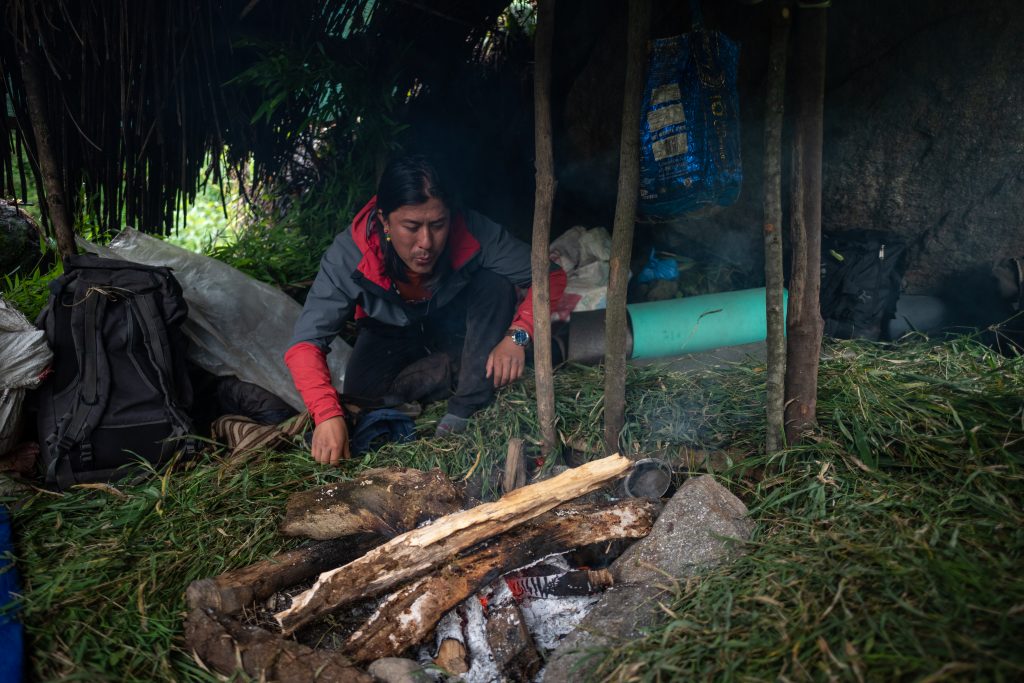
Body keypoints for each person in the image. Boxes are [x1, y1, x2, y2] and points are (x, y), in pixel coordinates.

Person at [285, 155, 567, 465]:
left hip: (456, 321)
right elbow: (305, 344)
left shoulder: (472, 230)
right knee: (361, 395)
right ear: (384, 220)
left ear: (450, 216)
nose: (426, 243)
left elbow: (548, 275)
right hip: (389, 331)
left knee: (495, 283)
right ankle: (455, 368)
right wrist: (326, 414)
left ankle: (466, 403)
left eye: (437, 224)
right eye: (411, 226)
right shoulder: (349, 254)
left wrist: (518, 336)